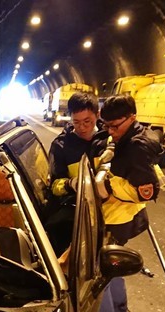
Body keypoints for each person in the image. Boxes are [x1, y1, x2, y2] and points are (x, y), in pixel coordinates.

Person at [88, 94, 163, 312]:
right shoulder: (125, 137)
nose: (109, 131)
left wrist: (106, 185)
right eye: (105, 125)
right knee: (113, 268)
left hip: (118, 217)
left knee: (98, 281)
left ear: (132, 118)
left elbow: (146, 191)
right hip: (119, 215)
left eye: (114, 126)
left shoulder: (137, 146)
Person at [46, 92, 107, 256]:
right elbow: (54, 186)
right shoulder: (61, 146)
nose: (82, 127)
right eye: (76, 122)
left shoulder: (109, 139)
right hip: (76, 213)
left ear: (98, 114)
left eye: (87, 121)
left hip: (108, 214)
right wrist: (71, 184)